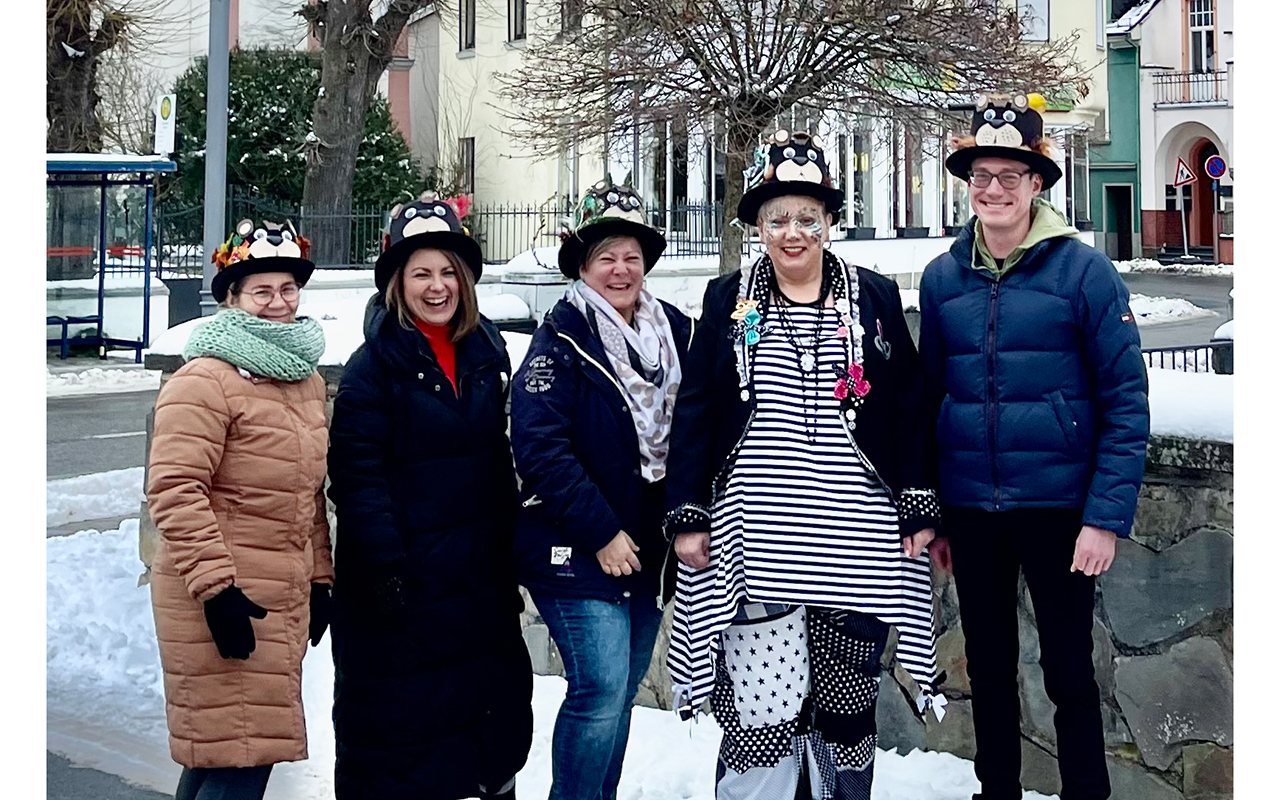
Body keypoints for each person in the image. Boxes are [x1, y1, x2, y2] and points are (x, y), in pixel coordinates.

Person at [663, 131, 946, 799]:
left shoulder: (872, 297)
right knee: (761, 715)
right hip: (754, 544)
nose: (794, 233)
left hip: (856, 548)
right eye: (778, 219)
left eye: (808, 218)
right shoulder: (728, 300)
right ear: (758, 225)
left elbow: (907, 406)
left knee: (844, 716)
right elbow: (697, 411)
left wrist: (916, 497)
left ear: (829, 222)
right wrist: (687, 512)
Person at [920, 92, 1150, 800]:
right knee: (988, 669)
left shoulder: (1083, 274)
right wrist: (935, 512)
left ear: (1037, 185)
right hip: (973, 511)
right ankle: (999, 793)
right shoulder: (941, 278)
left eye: (1009, 177)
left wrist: (1104, 518)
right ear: (968, 187)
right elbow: (932, 400)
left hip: (1058, 508)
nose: (993, 190)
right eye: (981, 177)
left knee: (1068, 672)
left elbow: (1125, 400)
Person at [326, 193, 532, 800]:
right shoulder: (372, 370)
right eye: (421, 274)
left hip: (475, 588)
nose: (437, 286)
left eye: (448, 273)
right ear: (397, 282)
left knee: (482, 741)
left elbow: (497, 465)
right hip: (402, 595)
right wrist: (388, 567)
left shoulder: (485, 356)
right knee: (406, 750)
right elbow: (357, 478)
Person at [510, 180, 693, 800]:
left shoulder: (675, 334)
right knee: (602, 685)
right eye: (606, 257)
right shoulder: (559, 339)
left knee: (621, 693)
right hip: (575, 546)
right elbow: (540, 449)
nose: (621, 270)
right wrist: (601, 533)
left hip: (646, 549)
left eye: (632, 257)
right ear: (583, 266)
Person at [147, 218, 331, 800]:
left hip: (277, 593)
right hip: (221, 594)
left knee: (226, 750)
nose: (278, 303)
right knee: (241, 755)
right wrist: (217, 590)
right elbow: (175, 489)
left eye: (288, 289)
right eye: (262, 291)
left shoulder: (302, 381)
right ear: (231, 297)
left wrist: (321, 577)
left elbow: (308, 491)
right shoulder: (204, 379)